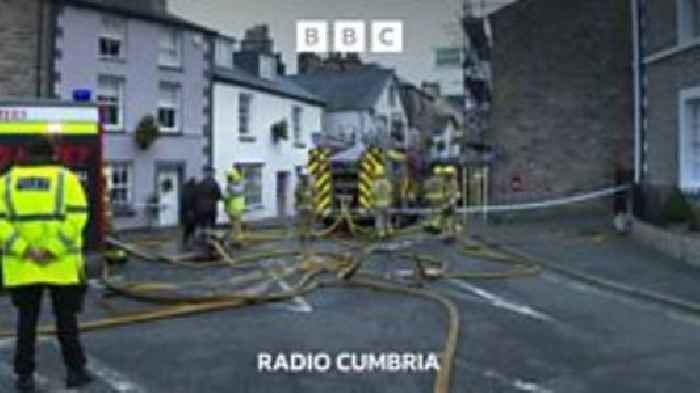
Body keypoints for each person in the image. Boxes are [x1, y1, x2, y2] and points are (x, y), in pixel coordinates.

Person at [0, 138, 92, 392]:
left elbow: (1, 223)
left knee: (26, 323)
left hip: (23, 266)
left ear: (24, 154)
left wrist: (25, 249)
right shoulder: (66, 179)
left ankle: (24, 378)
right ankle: (75, 371)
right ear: (52, 154)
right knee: (66, 321)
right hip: (60, 265)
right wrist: (52, 249)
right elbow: (77, 218)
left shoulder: (6, 182)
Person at [294, 170, 316, 258]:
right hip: (302, 211)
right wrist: (298, 207)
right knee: (302, 233)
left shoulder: (311, 186)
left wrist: (313, 206)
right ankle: (302, 252)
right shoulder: (298, 187)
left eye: (305, 177)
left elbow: (315, 196)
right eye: (302, 177)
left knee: (311, 233)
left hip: (310, 212)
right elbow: (297, 198)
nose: (304, 179)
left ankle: (311, 253)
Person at [195, 166, 223, 234]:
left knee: (202, 225)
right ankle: (211, 239)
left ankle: (203, 239)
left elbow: (195, 196)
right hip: (211, 208)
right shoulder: (215, 184)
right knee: (212, 225)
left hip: (201, 209)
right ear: (212, 173)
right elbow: (218, 196)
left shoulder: (199, 184)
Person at [224, 166, 245, 243]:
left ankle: (237, 238)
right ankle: (237, 237)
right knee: (236, 223)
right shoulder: (240, 181)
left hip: (233, 206)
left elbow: (227, 196)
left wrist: (225, 195)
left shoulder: (232, 186)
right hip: (235, 206)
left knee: (235, 223)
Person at [371, 165, 393, 239]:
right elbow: (390, 191)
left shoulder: (376, 183)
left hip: (378, 203)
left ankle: (381, 233)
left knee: (379, 219)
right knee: (387, 218)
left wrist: (372, 202)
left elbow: (373, 193)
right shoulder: (387, 182)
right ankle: (389, 231)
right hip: (387, 203)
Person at [441, 166, 460, 239]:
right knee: (446, 218)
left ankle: (451, 234)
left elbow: (455, 194)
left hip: (450, 204)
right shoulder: (445, 182)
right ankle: (448, 233)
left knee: (451, 218)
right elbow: (444, 193)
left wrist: (450, 203)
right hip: (447, 203)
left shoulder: (453, 182)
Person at [423, 167, 444, 233]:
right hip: (439, 197)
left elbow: (425, 188)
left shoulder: (428, 180)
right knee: (437, 212)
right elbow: (444, 188)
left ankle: (431, 224)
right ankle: (436, 225)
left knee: (431, 211)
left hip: (430, 197)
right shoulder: (441, 180)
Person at [180, 177, 198, 249]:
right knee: (190, 228)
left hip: (187, 212)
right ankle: (189, 243)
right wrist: (190, 210)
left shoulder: (185, 189)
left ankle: (186, 242)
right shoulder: (192, 190)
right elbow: (190, 201)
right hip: (190, 212)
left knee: (188, 229)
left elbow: (184, 201)